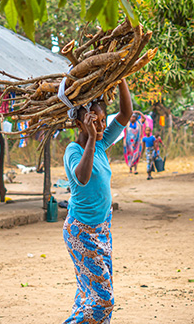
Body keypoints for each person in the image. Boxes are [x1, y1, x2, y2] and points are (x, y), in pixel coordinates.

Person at [63, 79, 132, 323]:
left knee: (87, 294)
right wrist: (91, 138)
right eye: (95, 121)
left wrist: (122, 79)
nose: (101, 126)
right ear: (79, 123)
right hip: (80, 231)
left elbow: (126, 114)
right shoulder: (73, 150)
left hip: (103, 229)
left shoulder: (102, 143)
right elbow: (82, 178)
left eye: (103, 120)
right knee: (103, 299)